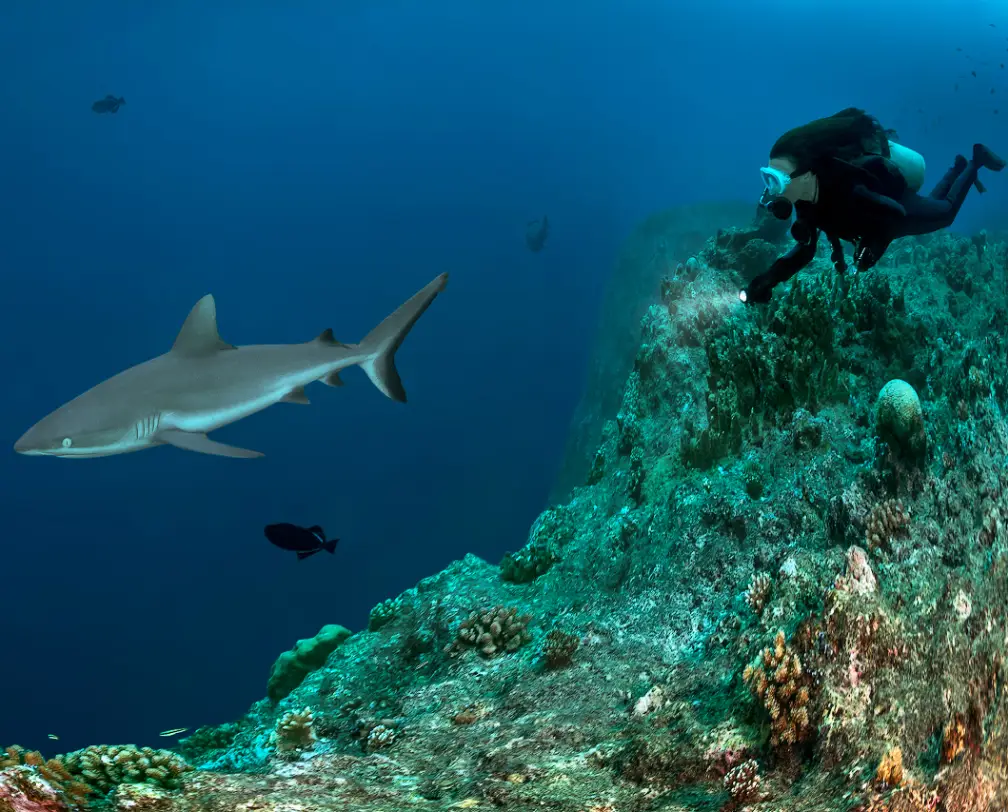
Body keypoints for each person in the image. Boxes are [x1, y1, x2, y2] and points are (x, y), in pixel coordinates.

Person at [740, 107, 1005, 304]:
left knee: (944, 213)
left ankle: (975, 161)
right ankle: (955, 168)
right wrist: (766, 281)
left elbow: (895, 214)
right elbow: (804, 252)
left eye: (776, 178)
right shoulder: (805, 200)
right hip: (876, 214)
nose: (772, 190)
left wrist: (873, 245)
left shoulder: (849, 187)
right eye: (768, 176)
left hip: (894, 201)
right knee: (932, 205)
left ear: (806, 172)